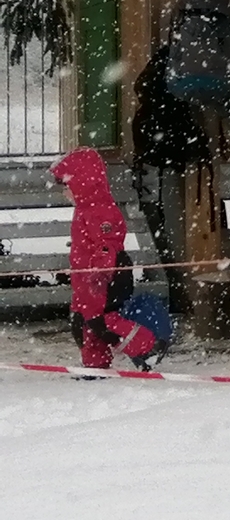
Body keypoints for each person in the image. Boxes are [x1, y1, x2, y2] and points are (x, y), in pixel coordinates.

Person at [50, 149, 158, 372]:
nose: (65, 193)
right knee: (82, 322)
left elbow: (107, 245)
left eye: (67, 186)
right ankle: (95, 363)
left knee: (103, 321)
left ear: (82, 183)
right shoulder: (84, 209)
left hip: (106, 277)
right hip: (86, 280)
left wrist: (100, 274)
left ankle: (148, 347)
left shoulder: (100, 210)